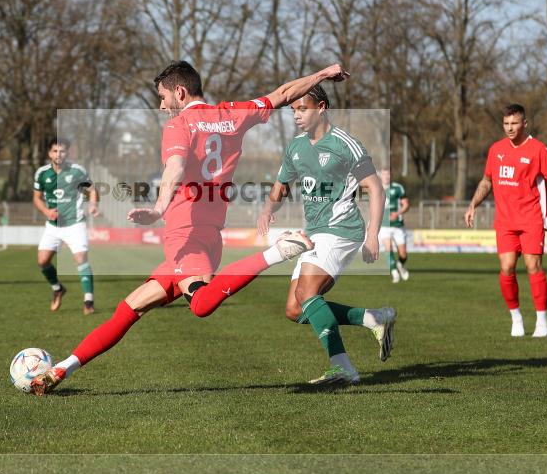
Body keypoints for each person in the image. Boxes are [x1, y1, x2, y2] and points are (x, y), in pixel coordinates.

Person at [29, 60, 350, 395]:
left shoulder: (179, 125)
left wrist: (158, 208)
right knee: (129, 309)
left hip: (186, 234)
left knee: (200, 305)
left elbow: (176, 167)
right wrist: (322, 74)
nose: (162, 105)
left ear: (179, 92)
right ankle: (60, 371)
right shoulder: (232, 114)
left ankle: (276, 252)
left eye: (163, 97)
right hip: (209, 234)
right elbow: (283, 93)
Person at [257, 86, 395, 385]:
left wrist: (373, 235)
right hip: (315, 233)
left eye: (302, 109)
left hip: (342, 230)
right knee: (295, 309)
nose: (296, 115)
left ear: (321, 107)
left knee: (307, 295)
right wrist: (269, 208)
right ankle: (374, 318)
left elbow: (375, 188)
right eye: (292, 110)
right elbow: (282, 184)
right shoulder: (295, 147)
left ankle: (342, 367)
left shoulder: (346, 144)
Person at [464, 104, 547, 338]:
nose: (509, 128)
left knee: (532, 266)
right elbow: (487, 181)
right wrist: (473, 204)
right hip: (505, 221)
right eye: (506, 124)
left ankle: (541, 321)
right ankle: (516, 318)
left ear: (525, 123)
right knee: (506, 267)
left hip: (531, 219)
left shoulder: (538, 150)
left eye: (514, 123)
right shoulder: (496, 150)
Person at [33, 138, 100, 313]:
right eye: (55, 151)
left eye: (62, 151)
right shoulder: (42, 173)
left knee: (80, 259)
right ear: (49, 153)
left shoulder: (77, 171)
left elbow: (92, 190)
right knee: (42, 261)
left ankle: (88, 302)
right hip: (53, 226)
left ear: (67, 153)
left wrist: (93, 205)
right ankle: (57, 288)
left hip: (74, 223)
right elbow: (36, 198)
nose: (58, 154)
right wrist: (47, 212)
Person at [379, 169, 410, 283]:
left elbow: (406, 205)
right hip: (384, 225)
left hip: (398, 225)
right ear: (380, 176)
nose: (386, 177)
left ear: (391, 175)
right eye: (384, 174)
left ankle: (400, 264)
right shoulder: (376, 188)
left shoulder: (398, 188)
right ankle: (394, 273)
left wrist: (398, 213)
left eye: (388, 174)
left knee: (403, 254)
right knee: (389, 249)